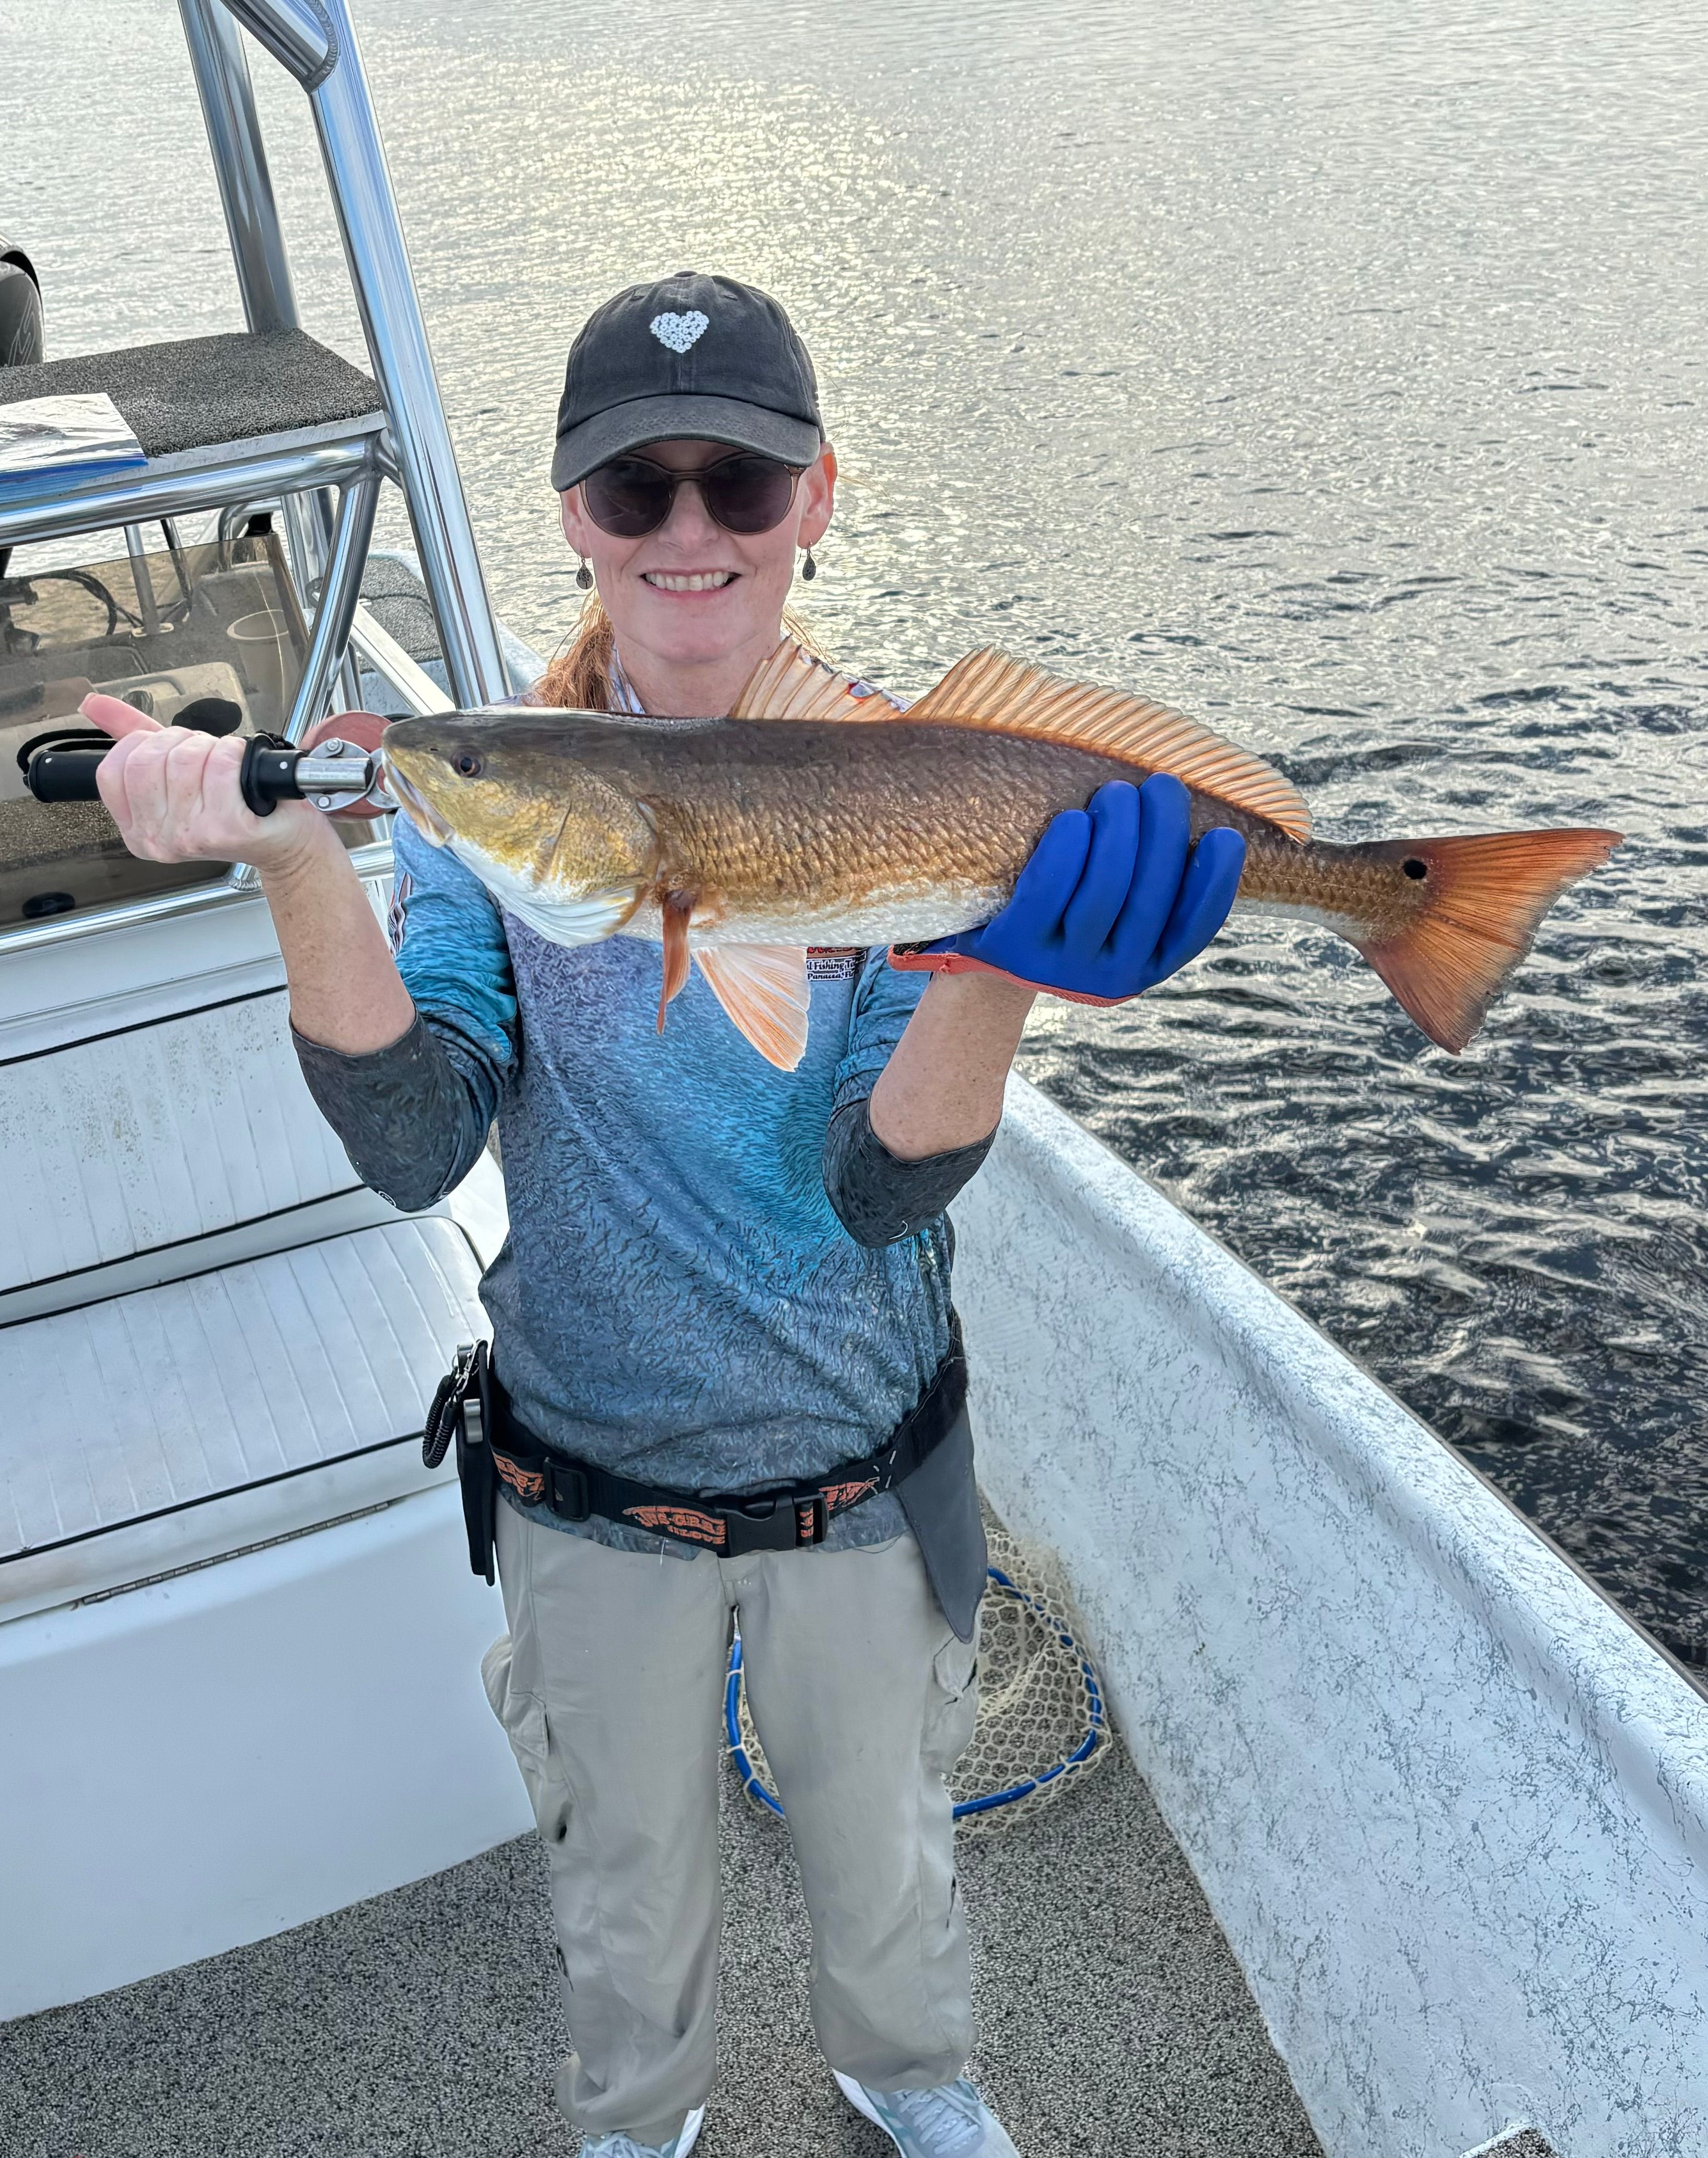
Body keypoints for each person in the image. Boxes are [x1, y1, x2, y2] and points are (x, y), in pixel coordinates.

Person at [85, 272, 1245, 2158]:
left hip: (868, 1467)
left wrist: (994, 973)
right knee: (625, 1883)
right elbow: (408, 1143)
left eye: (740, 485)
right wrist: (298, 856)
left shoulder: (891, 785)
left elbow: (884, 1191)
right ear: (570, 519)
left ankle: (916, 2078)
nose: (690, 532)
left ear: (816, 498)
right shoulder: (500, 814)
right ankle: (642, 2116)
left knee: (890, 1851)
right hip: (587, 1476)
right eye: (638, 493)